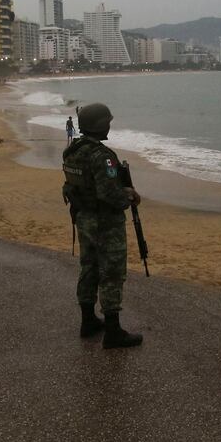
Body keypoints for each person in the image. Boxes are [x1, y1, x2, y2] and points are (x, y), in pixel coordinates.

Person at [61, 103, 142, 348]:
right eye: (107, 121)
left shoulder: (73, 150)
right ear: (100, 124)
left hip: (83, 218)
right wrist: (128, 196)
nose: (109, 125)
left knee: (89, 267)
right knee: (112, 273)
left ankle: (88, 321)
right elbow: (110, 194)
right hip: (105, 222)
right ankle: (113, 331)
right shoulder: (103, 156)